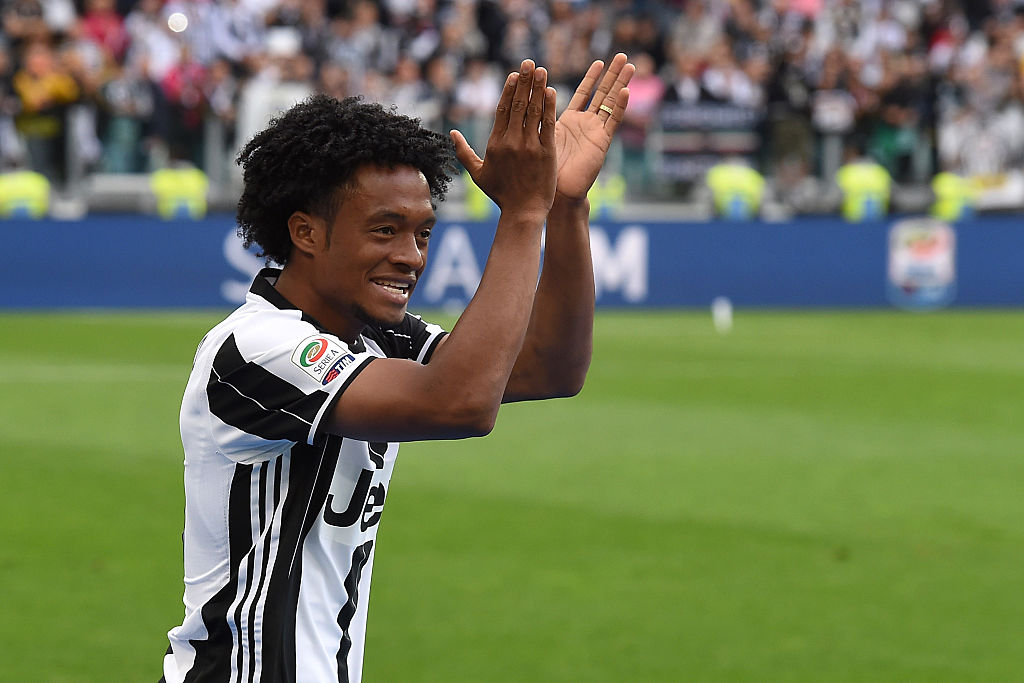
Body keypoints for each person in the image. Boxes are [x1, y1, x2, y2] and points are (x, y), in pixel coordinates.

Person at [161, 53, 633, 683]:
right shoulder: (256, 347)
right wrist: (523, 214)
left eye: (422, 233)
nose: (411, 256)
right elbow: (460, 403)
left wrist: (563, 206)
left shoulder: (379, 336)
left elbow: (550, 369)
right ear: (306, 233)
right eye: (385, 230)